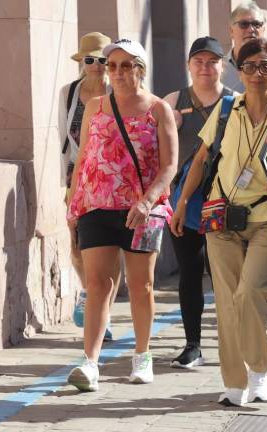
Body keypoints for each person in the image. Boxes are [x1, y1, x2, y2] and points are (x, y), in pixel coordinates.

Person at [170, 38, 267, 407]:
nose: (257, 73)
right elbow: (200, 159)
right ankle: (234, 383)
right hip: (221, 216)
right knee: (227, 302)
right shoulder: (225, 110)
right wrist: (182, 203)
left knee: (250, 293)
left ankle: (259, 372)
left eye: (265, 66)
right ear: (240, 71)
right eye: (249, 66)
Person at [65, 39, 179, 391]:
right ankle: (90, 363)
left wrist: (147, 202)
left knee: (141, 285)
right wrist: (74, 204)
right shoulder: (95, 106)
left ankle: (142, 357)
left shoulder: (158, 109)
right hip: (97, 206)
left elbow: (169, 166)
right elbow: (84, 158)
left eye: (126, 65)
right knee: (98, 284)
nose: (116, 72)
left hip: (143, 211)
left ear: (140, 69)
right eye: (111, 65)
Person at [162, 37, 235, 369]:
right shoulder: (173, 101)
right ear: (189, 65)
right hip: (184, 201)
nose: (205, 68)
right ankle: (193, 344)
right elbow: (156, 149)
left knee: (226, 274)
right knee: (190, 272)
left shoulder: (235, 103)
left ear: (222, 66)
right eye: (199, 61)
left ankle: (234, 340)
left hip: (226, 199)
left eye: (212, 61)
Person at [60, 32, 118, 341]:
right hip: (77, 177)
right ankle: (88, 291)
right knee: (76, 244)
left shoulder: (116, 91)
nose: (96, 65)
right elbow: (63, 142)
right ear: (82, 62)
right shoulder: (69, 93)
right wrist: (66, 184)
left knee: (109, 248)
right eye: (90, 60)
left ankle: (102, 314)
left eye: (102, 60)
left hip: (111, 178)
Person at [222, 1, 267, 106]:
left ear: (263, 30)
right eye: (244, 24)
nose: (251, 29)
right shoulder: (219, 69)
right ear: (231, 31)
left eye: (256, 24)